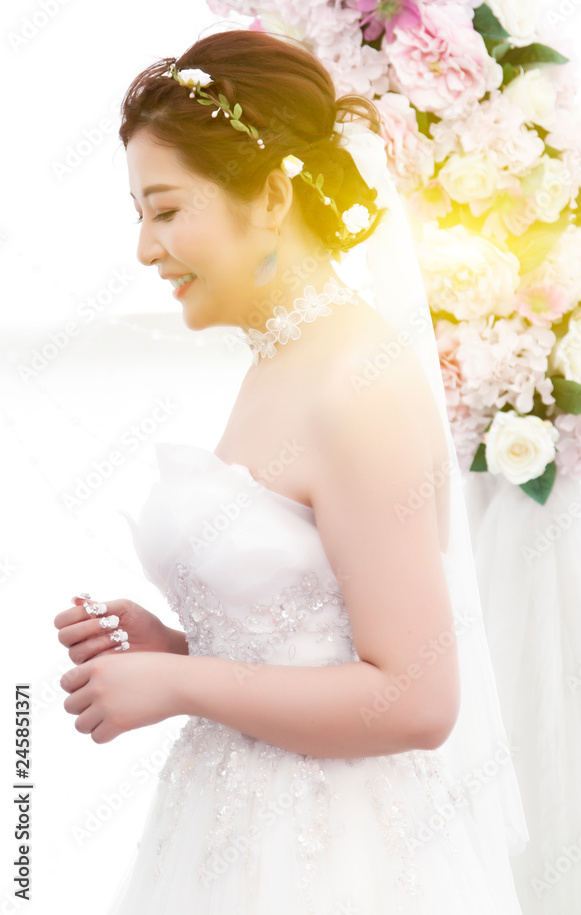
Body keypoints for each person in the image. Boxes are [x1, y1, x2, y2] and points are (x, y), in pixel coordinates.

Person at [53, 27, 528, 914]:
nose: (147, 251)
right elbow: (317, 639)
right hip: (230, 833)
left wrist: (181, 684)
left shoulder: (357, 382)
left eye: (166, 210)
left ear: (272, 195)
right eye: (139, 216)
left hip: (338, 860)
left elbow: (418, 698)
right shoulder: (283, 357)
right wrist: (181, 646)